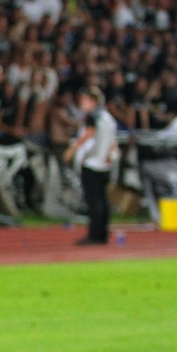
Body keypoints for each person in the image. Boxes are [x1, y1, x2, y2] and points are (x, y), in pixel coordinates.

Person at [65, 86, 118, 245]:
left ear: (93, 101)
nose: (82, 103)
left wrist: (72, 149)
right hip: (104, 164)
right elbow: (113, 142)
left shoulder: (94, 116)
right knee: (102, 200)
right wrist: (111, 157)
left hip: (92, 163)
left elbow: (89, 133)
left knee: (93, 201)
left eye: (85, 100)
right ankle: (103, 234)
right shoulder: (108, 118)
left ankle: (94, 235)